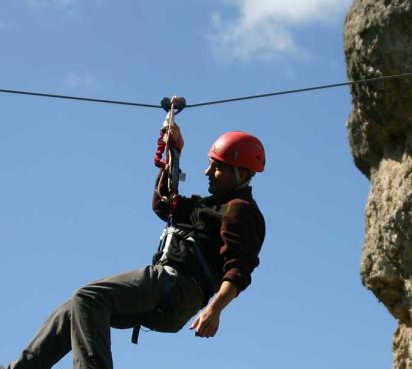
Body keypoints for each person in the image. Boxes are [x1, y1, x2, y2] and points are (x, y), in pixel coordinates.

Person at [4, 128, 266, 369]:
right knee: (76, 308)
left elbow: (239, 269)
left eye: (217, 167)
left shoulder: (240, 211)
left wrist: (215, 309)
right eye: (210, 164)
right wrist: (173, 154)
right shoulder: (206, 206)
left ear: (241, 174)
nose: (208, 172)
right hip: (171, 292)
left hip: (178, 287)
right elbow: (163, 205)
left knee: (90, 297)